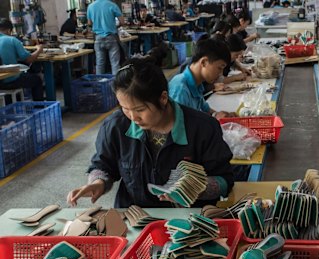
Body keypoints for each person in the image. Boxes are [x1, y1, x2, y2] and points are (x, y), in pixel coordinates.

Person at [67, 57, 234, 208]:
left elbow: (225, 180)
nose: (133, 117)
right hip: (135, 217)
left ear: (163, 98)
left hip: (187, 223)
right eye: (125, 108)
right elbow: (103, 165)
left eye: (140, 109)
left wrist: (194, 189)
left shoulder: (203, 128)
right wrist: (98, 182)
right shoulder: (116, 126)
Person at [168, 37, 234, 119]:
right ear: (204, 62)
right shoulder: (180, 90)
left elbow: (205, 109)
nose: (220, 73)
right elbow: (179, 127)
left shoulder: (197, 82)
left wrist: (217, 115)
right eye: (220, 68)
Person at [0, 18, 44, 101]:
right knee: (37, 80)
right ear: (9, 30)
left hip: (1, 81)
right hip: (10, 80)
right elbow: (29, 59)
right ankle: (39, 108)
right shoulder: (12, 40)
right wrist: (39, 50)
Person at [87, 0, 125, 74]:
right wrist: (115, 26)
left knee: (99, 64)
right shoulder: (112, 5)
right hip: (111, 37)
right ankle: (116, 84)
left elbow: (89, 23)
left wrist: (97, 26)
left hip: (98, 38)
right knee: (115, 63)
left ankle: (99, 84)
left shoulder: (90, 7)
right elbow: (122, 22)